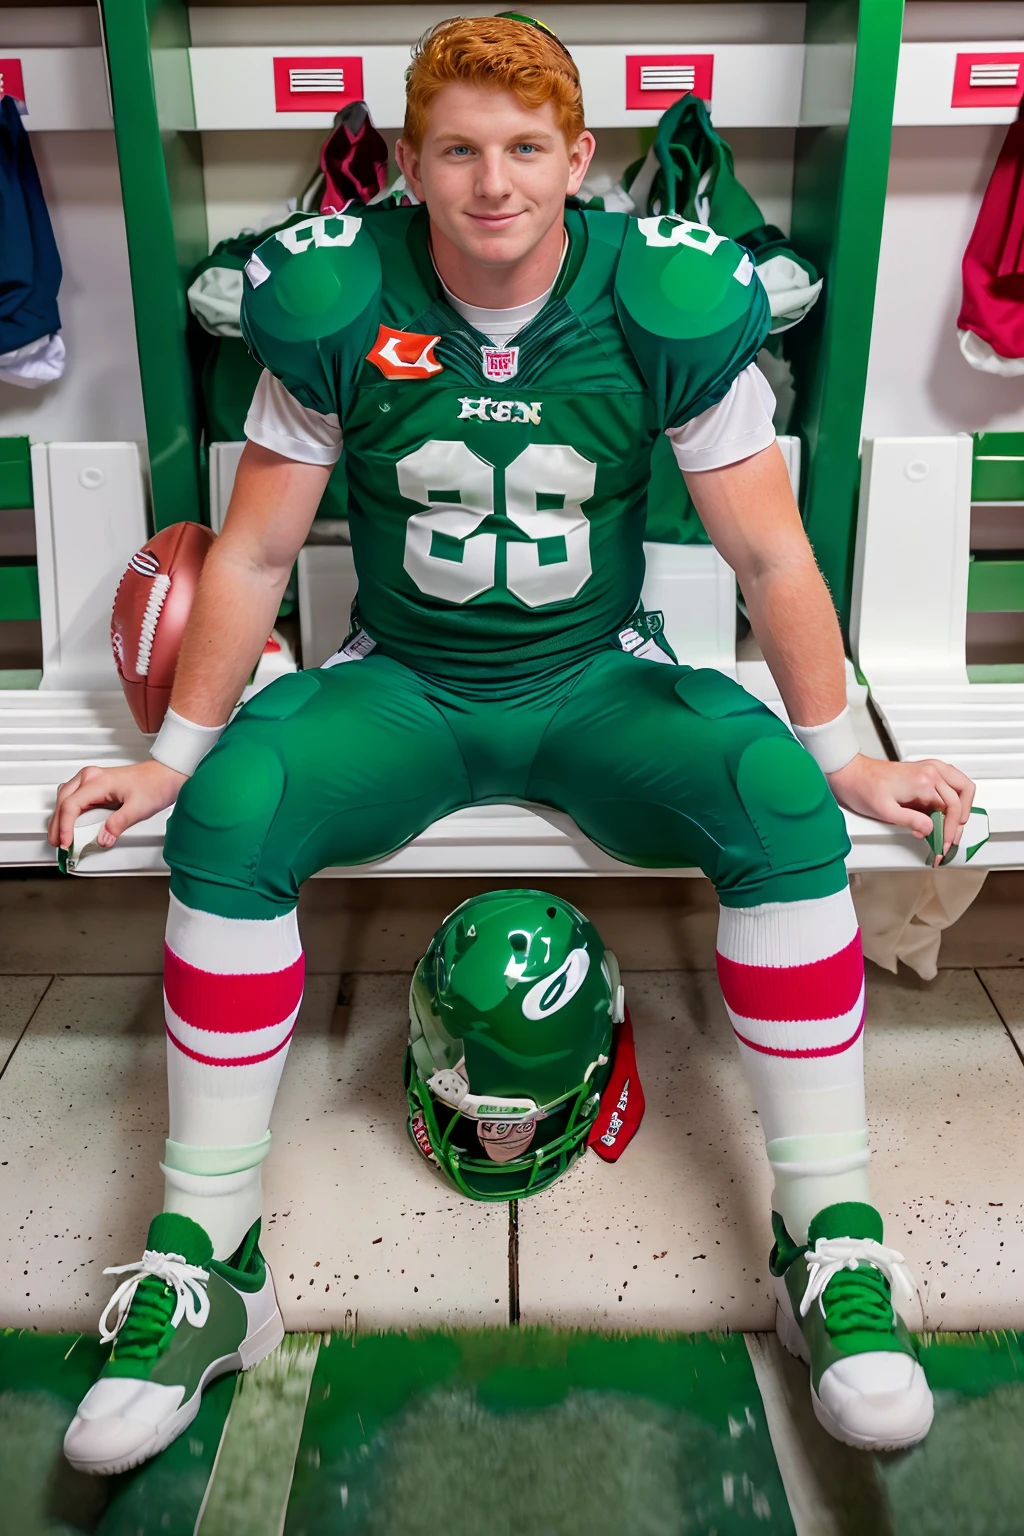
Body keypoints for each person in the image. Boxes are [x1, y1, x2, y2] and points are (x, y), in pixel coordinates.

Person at [51, 13, 974, 1473]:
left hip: (589, 679)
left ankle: (830, 1238)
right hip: (406, 683)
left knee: (776, 798)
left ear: (578, 161)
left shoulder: (659, 297)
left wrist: (844, 749)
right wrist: (170, 756)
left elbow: (773, 555)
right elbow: (246, 559)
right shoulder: (345, 296)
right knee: (233, 815)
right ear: (409, 166)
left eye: (527, 150)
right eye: (461, 152)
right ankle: (210, 1264)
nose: (495, 183)